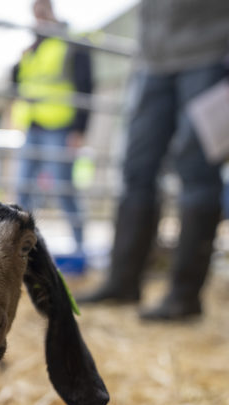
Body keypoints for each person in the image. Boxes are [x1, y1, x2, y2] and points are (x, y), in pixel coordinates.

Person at [80, 0, 229, 321]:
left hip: (213, 52)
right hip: (152, 58)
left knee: (197, 169)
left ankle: (184, 295)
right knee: (136, 169)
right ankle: (123, 281)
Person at [11, 0, 92, 260]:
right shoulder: (32, 48)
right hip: (32, 126)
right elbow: (19, 83)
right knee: (23, 190)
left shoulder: (68, 42)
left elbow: (86, 86)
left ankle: (80, 248)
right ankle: (22, 249)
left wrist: (80, 128)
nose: (39, 17)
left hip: (60, 126)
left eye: (43, 10)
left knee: (64, 189)